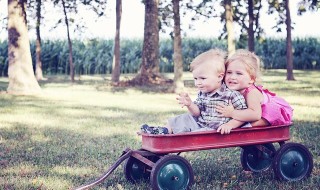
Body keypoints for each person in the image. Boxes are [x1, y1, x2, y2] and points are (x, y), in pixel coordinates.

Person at [141, 49, 248, 135]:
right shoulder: (203, 93)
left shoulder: (232, 95)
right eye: (196, 79)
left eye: (202, 78)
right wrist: (190, 104)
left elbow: (243, 116)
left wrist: (230, 125)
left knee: (192, 135)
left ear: (219, 77)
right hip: (200, 123)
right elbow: (197, 113)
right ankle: (163, 131)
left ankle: (171, 138)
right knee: (182, 118)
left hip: (214, 130)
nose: (198, 83)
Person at [215, 49, 293, 127]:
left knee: (252, 122)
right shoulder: (230, 89)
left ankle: (247, 128)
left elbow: (255, 115)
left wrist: (232, 113)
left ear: (251, 79)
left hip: (270, 112)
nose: (232, 77)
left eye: (239, 73)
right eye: (229, 72)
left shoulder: (252, 93)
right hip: (252, 112)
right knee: (242, 119)